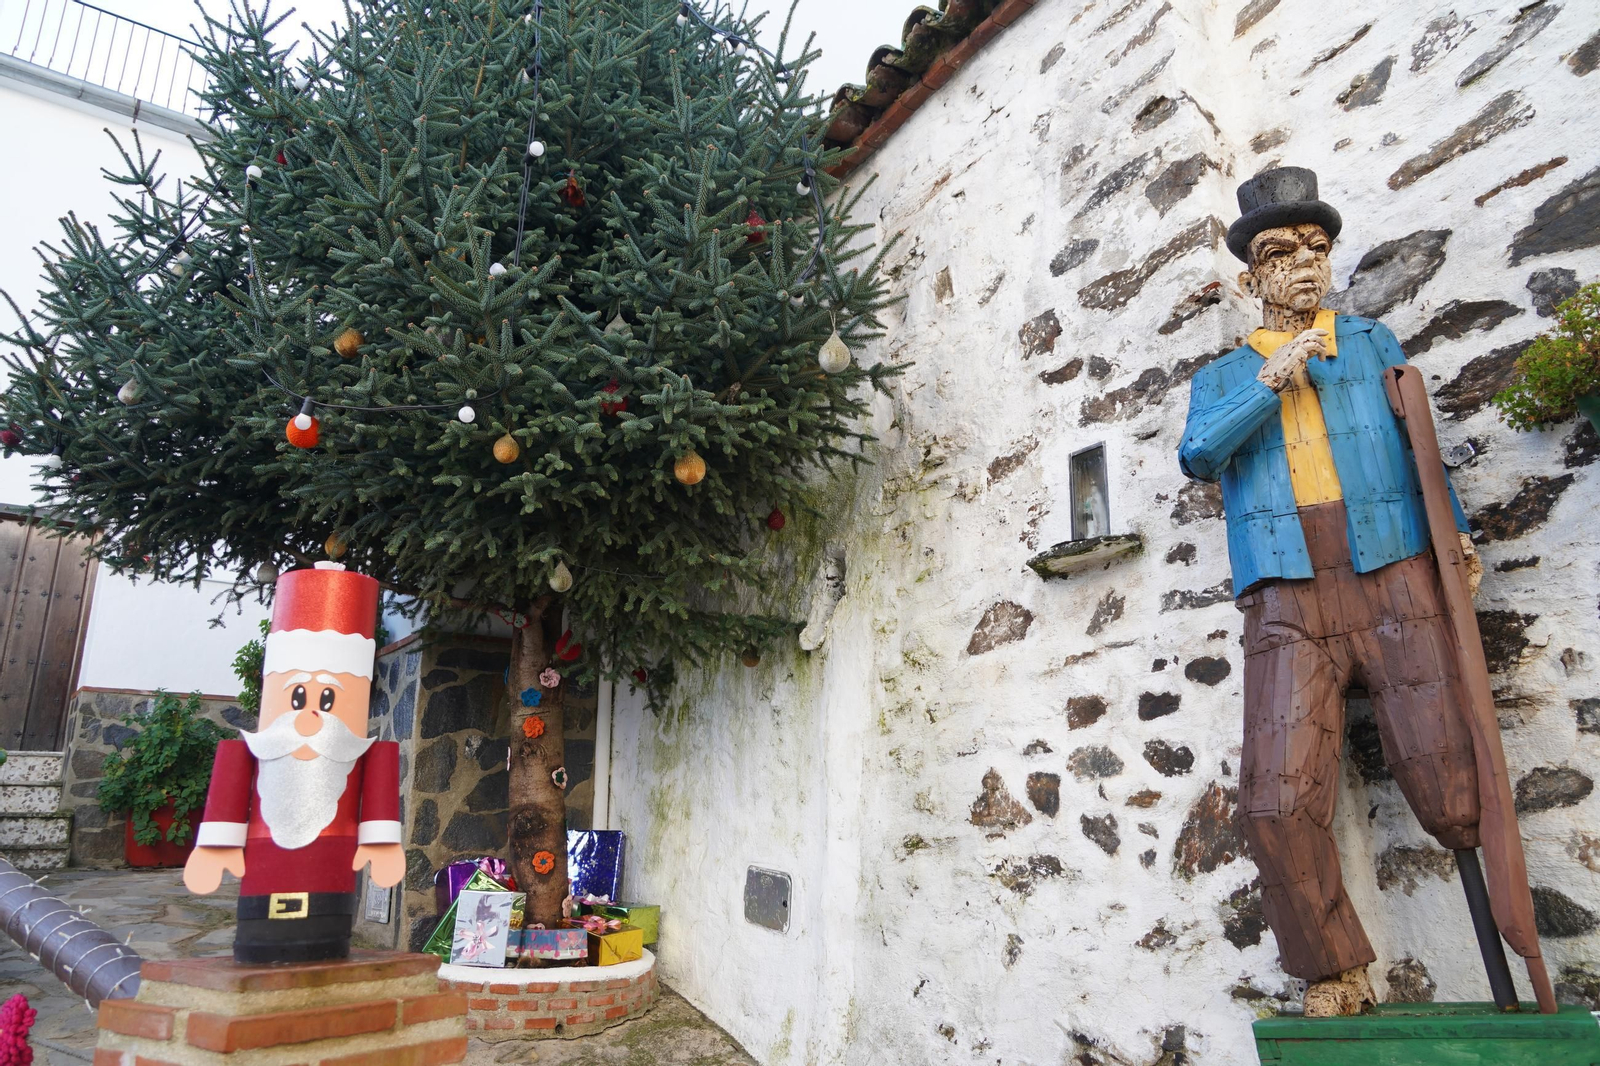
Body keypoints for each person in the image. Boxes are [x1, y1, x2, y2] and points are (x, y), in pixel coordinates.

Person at [1178, 167, 1485, 1017]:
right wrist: (1272, 378)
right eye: (1281, 251)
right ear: (1250, 280)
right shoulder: (1221, 378)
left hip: (1393, 569)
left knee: (1449, 768)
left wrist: (1451, 532)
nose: (1304, 264)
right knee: (1275, 795)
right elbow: (1201, 454)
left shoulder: (1373, 343)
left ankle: (1503, 958)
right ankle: (1332, 969)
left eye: (1317, 247)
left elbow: (1419, 442)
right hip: (1286, 593)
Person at [183, 562, 405, 964]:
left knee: (324, 929)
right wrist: (216, 846)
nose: (310, 716)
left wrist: (382, 842)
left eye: (326, 699)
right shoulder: (248, 752)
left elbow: (378, 801)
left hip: (331, 884)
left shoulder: (367, 754)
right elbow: (229, 801)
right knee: (261, 937)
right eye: (298, 697)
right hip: (262, 882)